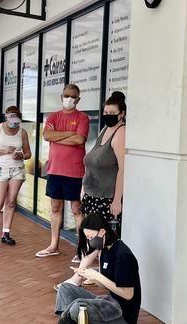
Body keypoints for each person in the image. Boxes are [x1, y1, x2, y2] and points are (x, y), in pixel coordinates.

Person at [57, 91, 127, 290]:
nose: (107, 115)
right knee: (94, 240)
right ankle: (93, 274)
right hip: (92, 194)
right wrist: (83, 188)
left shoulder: (120, 132)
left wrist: (117, 199)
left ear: (121, 114)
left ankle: (76, 278)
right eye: (105, 111)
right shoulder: (105, 129)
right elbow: (90, 163)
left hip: (106, 197)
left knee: (96, 239)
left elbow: (123, 169)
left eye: (112, 112)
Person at [55, 214, 141, 324]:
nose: (90, 241)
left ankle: (71, 317)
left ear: (101, 232)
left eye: (90, 237)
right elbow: (105, 284)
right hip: (109, 301)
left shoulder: (122, 255)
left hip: (122, 313)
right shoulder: (105, 250)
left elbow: (128, 294)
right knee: (65, 288)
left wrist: (97, 276)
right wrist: (88, 275)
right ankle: (72, 318)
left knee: (78, 308)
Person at [35, 84, 89, 258]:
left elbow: (79, 139)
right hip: (55, 170)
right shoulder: (53, 117)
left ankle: (81, 250)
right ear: (61, 97)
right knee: (55, 207)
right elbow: (47, 136)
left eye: (73, 97)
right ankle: (53, 246)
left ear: (78, 99)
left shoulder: (82, 117)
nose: (69, 99)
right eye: (66, 96)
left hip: (75, 171)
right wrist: (70, 135)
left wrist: (59, 135)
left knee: (76, 209)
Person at [0, 106, 32, 248]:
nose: (13, 121)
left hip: (17, 169)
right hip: (1, 169)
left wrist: (21, 155)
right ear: (6, 116)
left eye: (16, 118)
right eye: (11, 117)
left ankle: (6, 232)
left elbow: (28, 153)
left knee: (10, 202)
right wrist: (4, 151)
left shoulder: (22, 132)